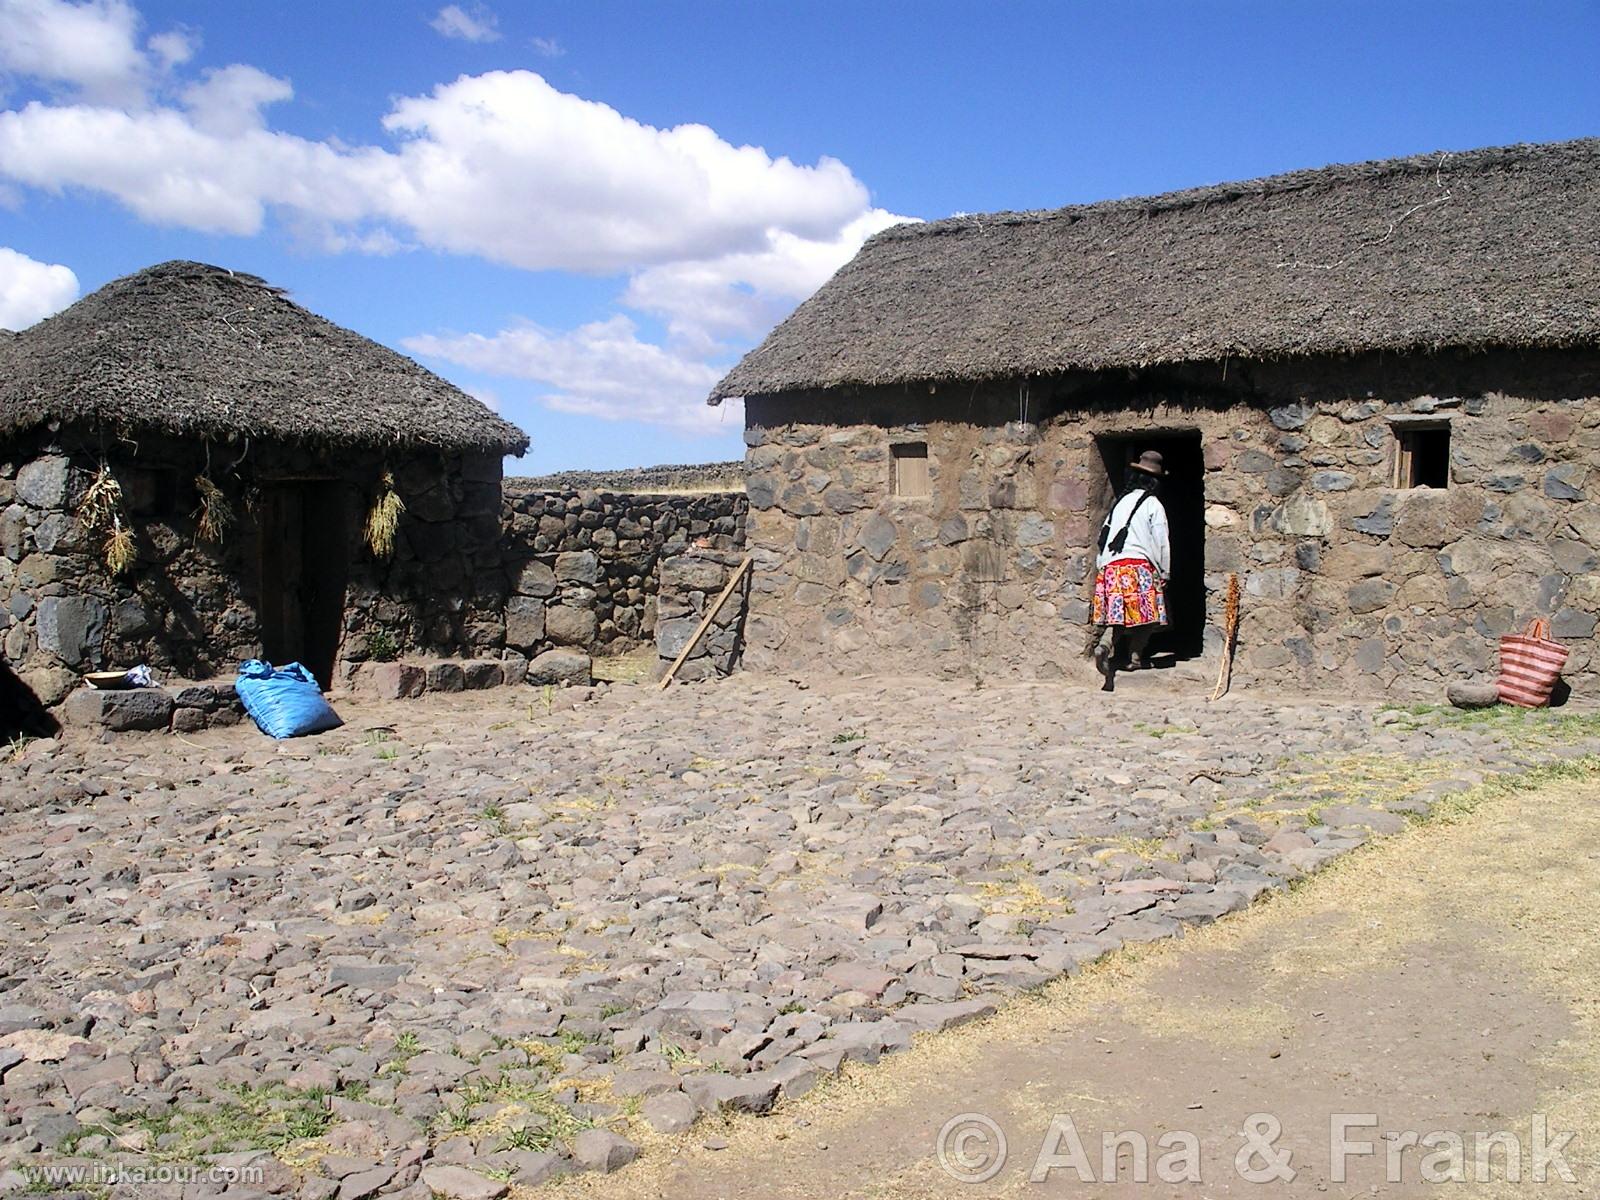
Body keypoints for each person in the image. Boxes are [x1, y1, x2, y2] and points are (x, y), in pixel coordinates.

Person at [1083, 450, 1170, 681]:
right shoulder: (1153, 504)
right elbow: (1161, 540)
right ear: (1155, 481)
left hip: (1112, 567)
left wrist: (1102, 567)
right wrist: (1165, 571)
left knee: (1118, 615)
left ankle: (1104, 645)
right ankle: (1135, 657)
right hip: (1138, 567)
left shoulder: (1119, 504)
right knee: (1148, 616)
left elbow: (1104, 536)